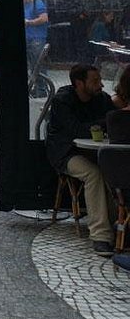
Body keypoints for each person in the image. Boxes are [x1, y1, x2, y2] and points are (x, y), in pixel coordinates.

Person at [45, 64, 117, 256]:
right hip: (65, 152)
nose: (101, 85)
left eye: (100, 80)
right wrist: (105, 122)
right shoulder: (63, 101)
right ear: (79, 83)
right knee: (93, 174)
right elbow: (76, 130)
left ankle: (118, 224)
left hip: (94, 151)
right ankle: (101, 235)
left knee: (114, 170)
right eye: (95, 81)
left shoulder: (100, 98)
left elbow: (115, 119)